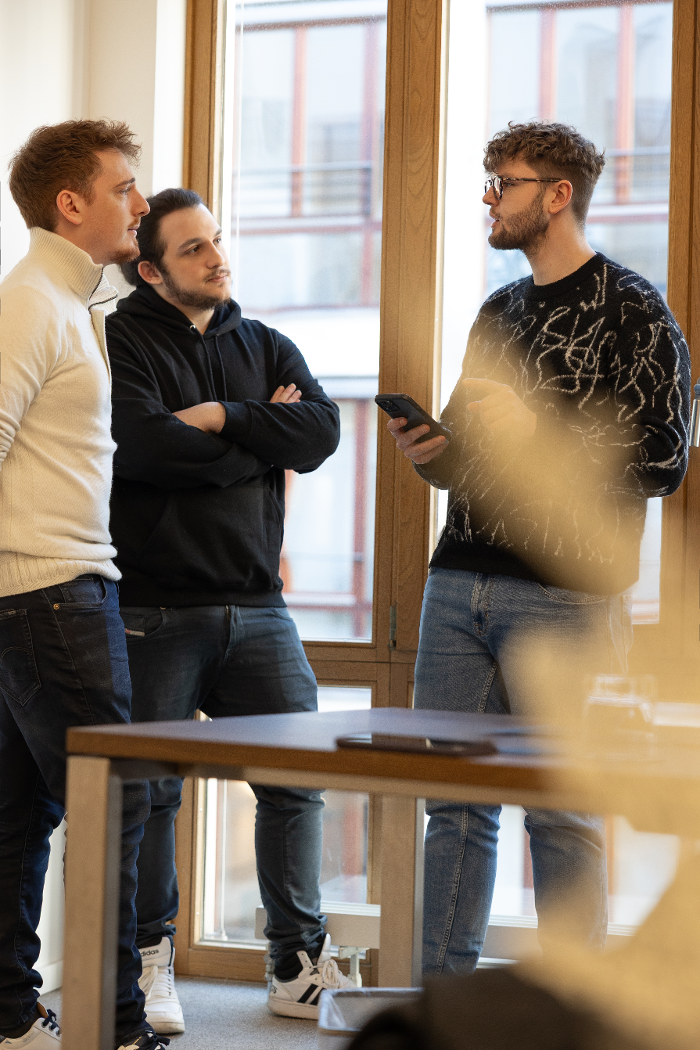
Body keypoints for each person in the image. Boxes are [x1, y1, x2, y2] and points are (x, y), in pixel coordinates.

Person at [387, 122, 690, 975]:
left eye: (505, 183)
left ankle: (571, 1010)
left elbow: (664, 459)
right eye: (488, 182)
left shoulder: (636, 307)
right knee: (453, 807)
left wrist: (542, 426)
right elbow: (471, 457)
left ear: (558, 196)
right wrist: (433, 453)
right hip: (459, 587)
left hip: (565, 597)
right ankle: (441, 1006)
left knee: (562, 811)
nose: (490, 197)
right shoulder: (500, 309)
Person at [105, 187, 352, 1034]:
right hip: (153, 609)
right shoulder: (119, 339)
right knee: (147, 797)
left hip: (260, 609)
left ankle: (294, 963)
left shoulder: (266, 342)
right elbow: (138, 446)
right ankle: (149, 963)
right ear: (150, 269)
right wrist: (254, 450)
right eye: (193, 249)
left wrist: (220, 419)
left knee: (295, 786)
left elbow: (320, 433)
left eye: (216, 241)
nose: (218, 257)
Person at [0, 121, 165, 1050]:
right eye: (124, 186)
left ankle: (12, 1015)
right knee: (116, 803)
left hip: (38, 596)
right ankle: (114, 1027)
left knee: (20, 813)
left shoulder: (65, 303)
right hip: (52, 594)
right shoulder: (31, 303)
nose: (139, 202)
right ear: (72, 203)